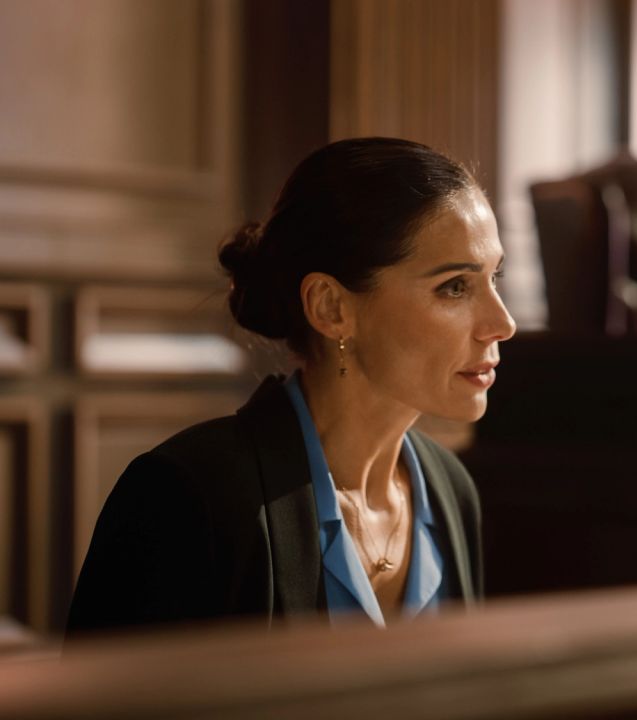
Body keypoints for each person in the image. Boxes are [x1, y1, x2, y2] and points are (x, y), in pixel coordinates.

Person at [66, 138, 517, 634]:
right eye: (455, 286)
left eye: (496, 277)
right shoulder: (187, 499)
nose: (504, 322)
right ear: (330, 307)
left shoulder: (452, 491)